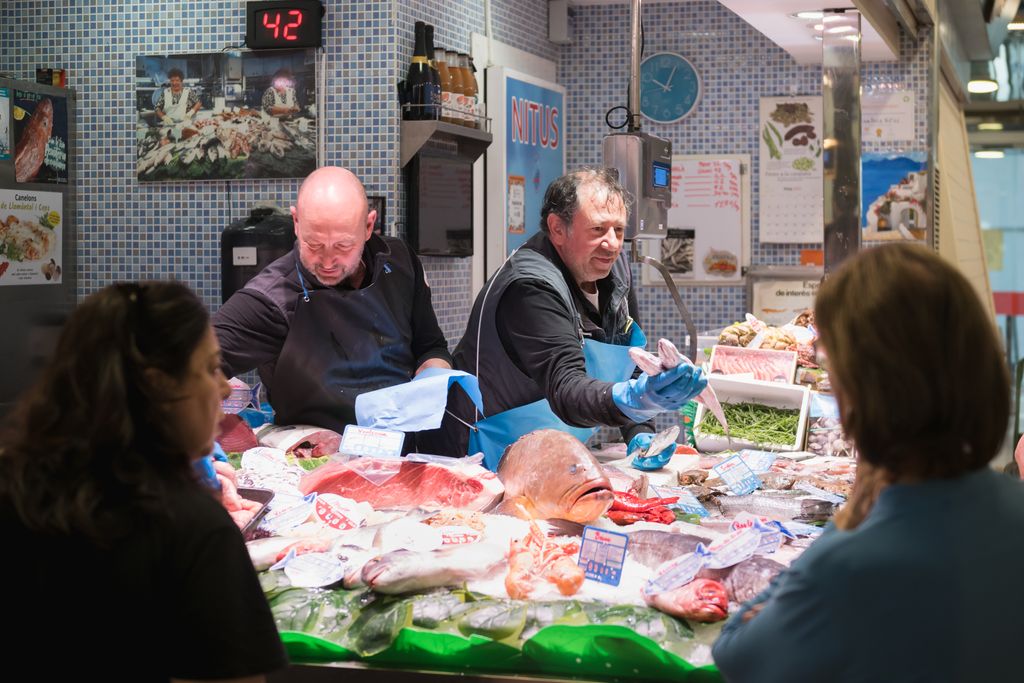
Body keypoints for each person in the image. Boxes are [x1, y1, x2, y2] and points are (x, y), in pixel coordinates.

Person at [712, 243, 1024, 682]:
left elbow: (737, 657)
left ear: (865, 394)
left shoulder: (849, 565)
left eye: (833, 369)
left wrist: (847, 519)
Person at [0, 281, 287, 681]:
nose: (223, 388)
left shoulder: (14, 486)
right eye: (208, 369)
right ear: (158, 385)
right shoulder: (194, 527)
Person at [440, 167, 706, 470]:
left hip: (550, 449)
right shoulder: (530, 287)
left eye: (618, 230)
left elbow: (631, 360)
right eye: (597, 230)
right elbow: (566, 389)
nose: (613, 244)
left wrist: (639, 430)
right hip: (485, 453)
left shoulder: (614, 272)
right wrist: (638, 399)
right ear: (557, 228)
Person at [214, 166, 452, 436]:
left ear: (368, 226)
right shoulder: (271, 298)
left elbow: (431, 346)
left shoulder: (400, 262)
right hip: (315, 459)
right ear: (296, 223)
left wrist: (429, 385)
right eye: (314, 244)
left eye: (343, 246)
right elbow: (184, 368)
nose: (327, 262)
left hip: (403, 451)